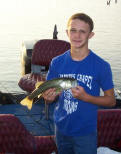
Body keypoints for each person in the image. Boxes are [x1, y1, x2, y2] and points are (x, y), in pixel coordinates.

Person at [42, 13, 116, 154]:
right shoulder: (56, 62)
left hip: (85, 132)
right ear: (67, 32)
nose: (77, 36)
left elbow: (111, 101)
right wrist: (49, 97)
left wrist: (86, 97)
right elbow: (50, 95)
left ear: (91, 35)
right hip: (61, 128)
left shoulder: (101, 66)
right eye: (73, 30)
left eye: (83, 31)